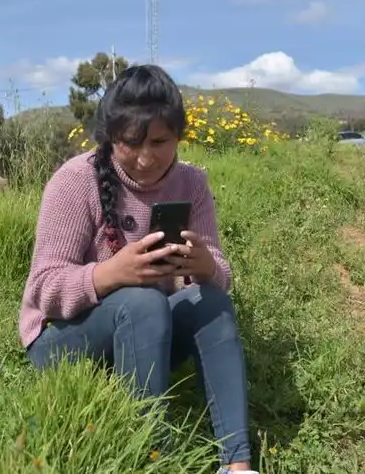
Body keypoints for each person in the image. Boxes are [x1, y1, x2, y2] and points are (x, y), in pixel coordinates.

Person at [18, 64, 256, 473]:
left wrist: (205, 267)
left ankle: (237, 465)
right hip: (64, 342)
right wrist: (112, 273)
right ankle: (151, 459)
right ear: (111, 137)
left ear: (179, 135)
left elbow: (219, 271)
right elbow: (44, 289)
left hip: (147, 336)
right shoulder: (74, 181)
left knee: (212, 301)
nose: (146, 158)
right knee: (143, 300)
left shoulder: (192, 184)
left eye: (160, 141)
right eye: (131, 143)